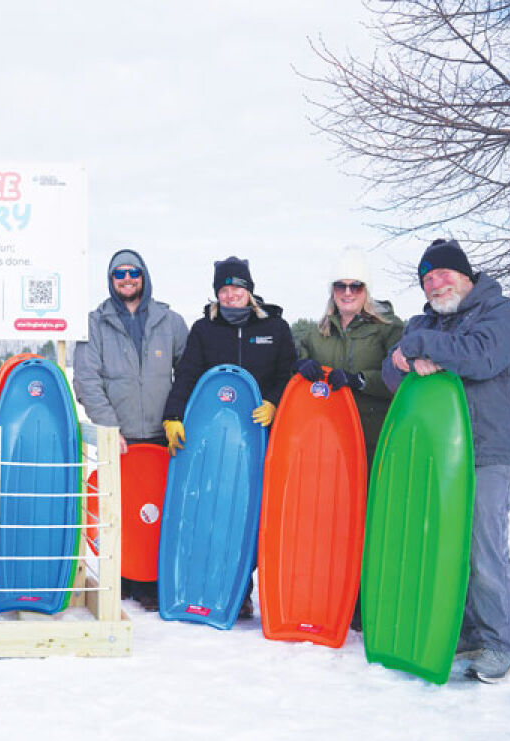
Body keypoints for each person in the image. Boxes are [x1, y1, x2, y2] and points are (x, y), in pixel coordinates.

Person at [382, 238, 510, 683]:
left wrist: (423, 347)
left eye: (444, 274)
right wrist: (410, 358)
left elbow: (482, 356)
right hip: (437, 451)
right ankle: (463, 634)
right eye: (427, 279)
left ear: (467, 275)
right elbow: (392, 373)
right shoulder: (423, 322)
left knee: (484, 547)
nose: (436, 284)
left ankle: (499, 644)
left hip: (489, 449)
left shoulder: (503, 313)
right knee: (444, 544)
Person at [161, 256, 296, 619]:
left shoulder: (276, 327)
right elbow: (187, 374)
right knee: (219, 507)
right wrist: (173, 416)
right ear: (216, 293)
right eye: (224, 288)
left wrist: (274, 403)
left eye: (237, 287)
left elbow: (288, 374)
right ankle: (218, 585)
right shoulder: (204, 329)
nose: (231, 294)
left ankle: (245, 586)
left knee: (255, 512)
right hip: (215, 436)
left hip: (259, 434)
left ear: (249, 290)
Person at [293, 248, 405, 631]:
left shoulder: (388, 329)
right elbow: (300, 358)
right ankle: (335, 595)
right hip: (331, 444)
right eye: (340, 285)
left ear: (366, 290)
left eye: (354, 286)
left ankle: (367, 599)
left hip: (373, 439)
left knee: (370, 522)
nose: (347, 292)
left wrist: (361, 380)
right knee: (335, 522)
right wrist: (300, 366)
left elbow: (400, 377)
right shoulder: (318, 332)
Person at [73, 248, 188, 610]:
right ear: (111, 280)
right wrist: (109, 427)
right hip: (118, 437)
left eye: (133, 272)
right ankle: (122, 574)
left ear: (144, 276)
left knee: (154, 509)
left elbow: (187, 374)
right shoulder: (94, 323)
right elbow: (86, 379)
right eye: (119, 274)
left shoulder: (170, 321)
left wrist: (176, 418)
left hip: (158, 435)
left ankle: (152, 580)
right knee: (118, 510)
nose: (126, 279)